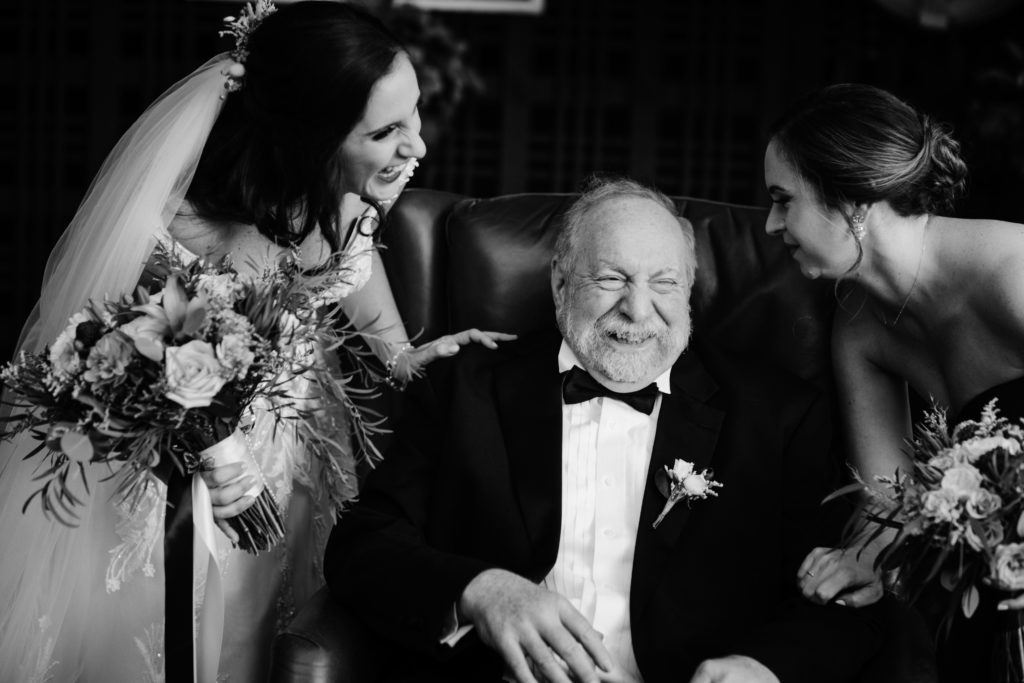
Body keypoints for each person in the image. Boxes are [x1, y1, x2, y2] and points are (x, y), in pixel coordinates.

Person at [0, 2, 510, 681]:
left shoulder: (349, 192)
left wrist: (401, 353)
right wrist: (221, 458)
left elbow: (354, 266)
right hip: (170, 466)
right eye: (387, 130)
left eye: (413, 114)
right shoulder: (181, 224)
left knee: (276, 626)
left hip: (292, 446)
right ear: (311, 136)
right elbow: (117, 361)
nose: (418, 145)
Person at [325, 176, 886, 682]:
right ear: (560, 281)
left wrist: (766, 668)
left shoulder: (781, 415)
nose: (638, 311)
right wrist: (479, 591)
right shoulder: (462, 390)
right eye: (612, 277)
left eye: (663, 283)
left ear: (689, 290)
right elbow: (361, 546)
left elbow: (844, 592)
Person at [763, 82, 1024, 681]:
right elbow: (884, 495)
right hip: (990, 585)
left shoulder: (1013, 275)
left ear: (852, 198)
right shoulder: (858, 326)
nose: (772, 224)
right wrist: (860, 561)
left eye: (784, 200)